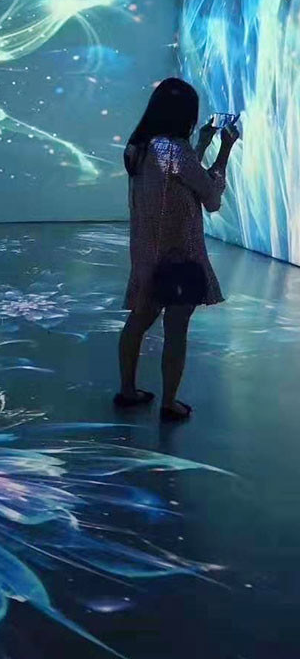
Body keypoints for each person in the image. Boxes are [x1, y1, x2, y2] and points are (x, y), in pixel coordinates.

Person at [116, 78, 239, 421]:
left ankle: (127, 390)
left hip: (147, 256)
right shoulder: (176, 151)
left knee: (138, 321)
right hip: (180, 258)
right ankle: (169, 403)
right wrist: (225, 150)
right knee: (176, 330)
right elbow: (211, 198)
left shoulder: (139, 148)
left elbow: (177, 178)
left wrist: (201, 144)